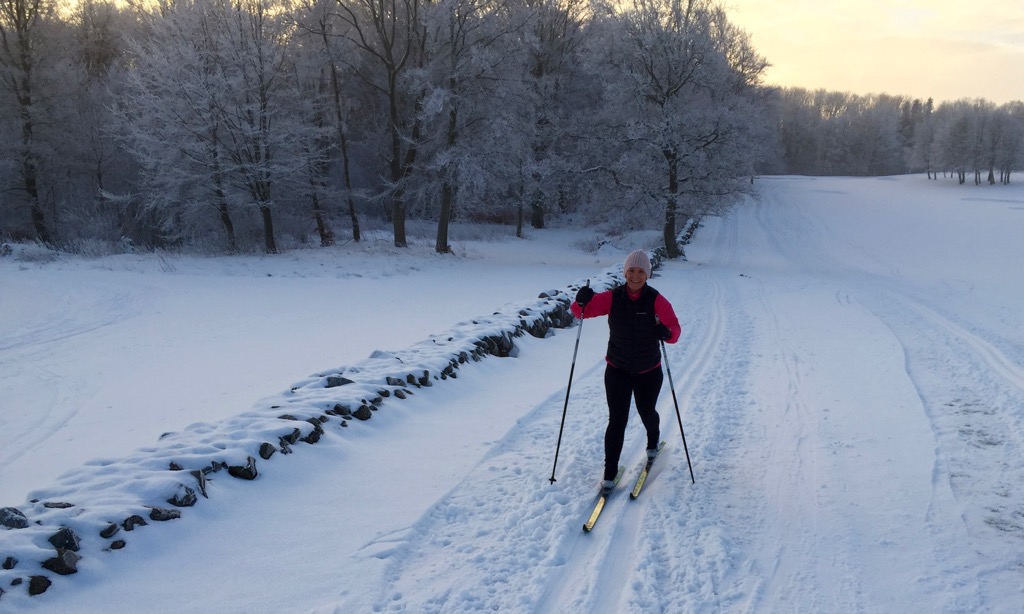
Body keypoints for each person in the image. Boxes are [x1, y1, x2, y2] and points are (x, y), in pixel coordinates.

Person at [571, 249, 681, 492]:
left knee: (646, 411)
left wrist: (666, 333)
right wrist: (580, 301)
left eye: (641, 271)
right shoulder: (612, 297)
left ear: (647, 274)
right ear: (625, 272)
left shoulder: (656, 300)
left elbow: (674, 329)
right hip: (617, 368)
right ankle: (610, 472)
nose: (635, 275)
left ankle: (652, 444)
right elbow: (581, 313)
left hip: (648, 370)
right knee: (616, 419)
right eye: (631, 270)